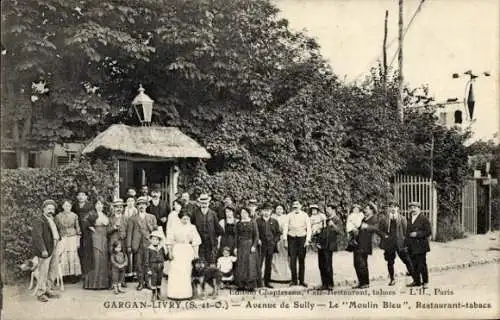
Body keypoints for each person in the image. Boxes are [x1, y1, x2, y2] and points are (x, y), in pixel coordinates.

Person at [379, 200, 416, 286]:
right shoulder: (384, 220)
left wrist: (406, 243)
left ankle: (415, 278)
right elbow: (380, 231)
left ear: (398, 208)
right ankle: (392, 279)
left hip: (400, 244)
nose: (393, 208)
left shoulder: (402, 219)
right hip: (389, 244)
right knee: (390, 262)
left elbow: (406, 232)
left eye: (395, 207)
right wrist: (384, 236)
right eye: (391, 206)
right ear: (388, 208)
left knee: (407, 260)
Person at [166, 211, 201, 300]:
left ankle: (186, 294)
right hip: (177, 250)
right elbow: (169, 241)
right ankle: (174, 294)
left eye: (187, 219)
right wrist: (170, 252)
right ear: (180, 218)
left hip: (188, 251)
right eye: (183, 219)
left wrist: (196, 254)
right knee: (176, 271)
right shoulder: (174, 227)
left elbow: (196, 241)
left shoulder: (192, 227)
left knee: (186, 271)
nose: (185, 220)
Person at [32, 199, 61, 302]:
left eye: (52, 209)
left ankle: (48, 290)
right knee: (43, 271)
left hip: (55, 246)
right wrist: (43, 249)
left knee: (53, 270)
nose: (51, 211)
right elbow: (37, 236)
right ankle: (40, 293)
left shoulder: (52, 219)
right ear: (43, 209)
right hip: (46, 248)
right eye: (49, 209)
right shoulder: (39, 220)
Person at [126, 196, 158, 291]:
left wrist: (150, 227)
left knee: (148, 264)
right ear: (137, 206)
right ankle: (140, 283)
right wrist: (129, 245)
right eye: (139, 204)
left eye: (143, 204)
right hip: (137, 244)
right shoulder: (133, 218)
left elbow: (155, 232)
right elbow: (129, 233)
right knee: (138, 264)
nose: (141, 206)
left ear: (146, 206)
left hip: (149, 244)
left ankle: (148, 283)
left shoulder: (152, 217)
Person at [352, 202, 384, 289]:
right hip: (358, 243)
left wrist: (367, 226)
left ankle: (365, 283)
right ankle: (361, 282)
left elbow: (377, 229)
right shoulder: (363, 218)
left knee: (362, 263)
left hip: (365, 243)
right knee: (356, 263)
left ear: (371, 210)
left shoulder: (374, 219)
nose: (365, 210)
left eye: (366, 209)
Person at [83, 198, 110, 290]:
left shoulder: (105, 215)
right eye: (97, 204)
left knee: (103, 259)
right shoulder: (92, 214)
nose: (99, 206)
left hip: (104, 237)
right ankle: (93, 284)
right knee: (96, 258)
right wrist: (93, 229)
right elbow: (85, 222)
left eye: (101, 204)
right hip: (96, 237)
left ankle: (103, 284)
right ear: (95, 205)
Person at [283, 201, 311, 287]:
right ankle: (294, 280)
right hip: (291, 238)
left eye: (297, 205)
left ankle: (302, 280)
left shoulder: (305, 215)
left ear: (301, 206)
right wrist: (285, 240)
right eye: (294, 205)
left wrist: (307, 240)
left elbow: (309, 228)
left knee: (301, 260)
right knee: (292, 260)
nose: (296, 207)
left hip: (302, 238)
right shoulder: (289, 215)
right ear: (292, 206)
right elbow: (285, 227)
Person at [406, 201, 432, 288]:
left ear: (419, 208)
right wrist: (406, 245)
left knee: (422, 264)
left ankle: (425, 282)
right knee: (414, 264)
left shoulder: (424, 218)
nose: (412, 209)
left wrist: (417, 234)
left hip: (421, 245)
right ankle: (416, 281)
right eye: (411, 208)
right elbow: (407, 233)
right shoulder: (409, 219)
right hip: (411, 245)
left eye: (414, 207)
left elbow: (428, 232)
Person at [192, 194, 223, 265]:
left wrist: (214, 237)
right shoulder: (195, 213)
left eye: (205, 203)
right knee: (200, 261)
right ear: (199, 203)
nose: (204, 205)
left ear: (208, 203)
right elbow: (191, 226)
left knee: (210, 261)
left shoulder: (213, 214)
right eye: (202, 203)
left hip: (210, 242)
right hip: (199, 242)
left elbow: (218, 228)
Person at [54, 200, 81, 282]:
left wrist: (78, 240)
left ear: (71, 207)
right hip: (63, 237)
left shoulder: (74, 215)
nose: (67, 207)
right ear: (62, 206)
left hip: (72, 237)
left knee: (72, 255)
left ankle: (73, 275)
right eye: (65, 205)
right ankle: (64, 276)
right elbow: (56, 228)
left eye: (69, 206)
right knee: (63, 255)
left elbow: (78, 228)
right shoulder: (58, 216)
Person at [316, 205, 342, 290]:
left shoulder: (337, 219)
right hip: (322, 245)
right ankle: (324, 284)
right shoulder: (325, 220)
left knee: (328, 265)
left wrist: (333, 225)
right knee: (321, 265)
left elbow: (340, 232)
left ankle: (330, 284)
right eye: (326, 209)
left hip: (329, 245)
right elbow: (322, 232)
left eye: (329, 209)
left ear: (333, 210)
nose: (327, 211)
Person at [234, 208, 260, 291]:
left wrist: (254, 246)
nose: (243, 214)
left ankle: (250, 286)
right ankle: (241, 285)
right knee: (241, 264)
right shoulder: (238, 223)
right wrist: (235, 247)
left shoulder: (253, 222)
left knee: (250, 265)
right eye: (242, 213)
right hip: (241, 245)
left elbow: (256, 235)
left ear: (248, 213)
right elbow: (236, 236)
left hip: (250, 245)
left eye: (245, 212)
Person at [256, 204, 281, 289]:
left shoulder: (274, 221)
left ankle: (267, 282)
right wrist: (258, 239)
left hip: (270, 245)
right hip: (261, 245)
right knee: (259, 263)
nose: (266, 212)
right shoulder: (257, 221)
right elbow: (255, 233)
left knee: (268, 264)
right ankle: (258, 282)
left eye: (268, 210)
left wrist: (274, 241)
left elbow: (278, 233)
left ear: (271, 211)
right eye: (265, 210)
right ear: (262, 211)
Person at [107, 198, 127, 288]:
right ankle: (113, 282)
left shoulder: (125, 218)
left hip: (123, 242)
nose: (119, 209)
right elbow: (107, 231)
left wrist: (124, 234)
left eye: (120, 207)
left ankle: (122, 281)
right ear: (114, 208)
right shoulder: (110, 218)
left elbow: (128, 230)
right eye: (117, 207)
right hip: (113, 242)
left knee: (122, 261)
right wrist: (114, 227)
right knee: (113, 262)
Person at [72, 189, 92, 274]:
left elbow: (93, 217)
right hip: (77, 231)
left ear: (86, 197)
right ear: (76, 197)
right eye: (79, 195)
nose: (81, 197)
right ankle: (79, 273)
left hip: (87, 231)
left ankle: (87, 272)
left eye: (83, 195)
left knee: (87, 250)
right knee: (78, 250)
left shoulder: (90, 206)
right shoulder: (74, 206)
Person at [270, 204, 291, 283]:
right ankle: (275, 275)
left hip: (282, 238)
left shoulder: (286, 217)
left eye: (280, 209)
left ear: (283, 210)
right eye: (277, 209)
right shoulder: (272, 217)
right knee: (274, 256)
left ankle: (285, 275)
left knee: (284, 256)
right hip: (273, 238)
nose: (279, 210)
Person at [145, 230, 168, 302]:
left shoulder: (161, 248)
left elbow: (165, 257)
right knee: (153, 280)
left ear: (159, 240)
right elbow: (146, 260)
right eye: (153, 239)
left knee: (159, 280)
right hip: (153, 266)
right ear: (151, 240)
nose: (155, 241)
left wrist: (166, 250)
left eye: (156, 239)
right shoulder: (149, 249)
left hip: (160, 266)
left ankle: (159, 294)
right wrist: (148, 269)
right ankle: (153, 294)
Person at [122, 197, 137, 278]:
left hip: (133, 233)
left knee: (134, 252)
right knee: (126, 252)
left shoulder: (136, 211)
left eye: (132, 201)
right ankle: (126, 273)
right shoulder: (124, 210)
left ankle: (134, 273)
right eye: (128, 201)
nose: (130, 203)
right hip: (125, 233)